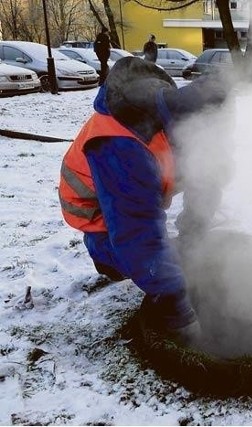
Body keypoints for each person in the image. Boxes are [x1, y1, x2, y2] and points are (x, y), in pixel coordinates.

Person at [58, 57, 232, 345]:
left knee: (175, 253)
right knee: (138, 254)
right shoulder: (122, 147)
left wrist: (194, 234)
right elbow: (136, 232)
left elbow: (207, 177)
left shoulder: (188, 121)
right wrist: (180, 313)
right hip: (100, 213)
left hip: (133, 194)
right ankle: (106, 259)